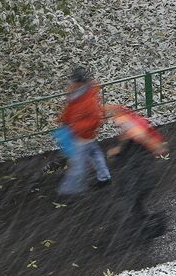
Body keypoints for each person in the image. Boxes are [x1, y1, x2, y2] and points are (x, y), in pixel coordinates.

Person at [106, 105, 167, 239]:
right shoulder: (132, 128)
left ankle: (150, 227)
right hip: (140, 176)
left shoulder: (130, 128)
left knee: (135, 203)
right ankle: (148, 225)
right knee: (137, 204)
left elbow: (139, 135)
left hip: (137, 178)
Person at [57, 67, 111, 195]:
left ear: (80, 83)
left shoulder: (87, 100)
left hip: (82, 137)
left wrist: (74, 128)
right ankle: (104, 177)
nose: (71, 84)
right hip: (84, 135)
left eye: (74, 81)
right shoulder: (80, 94)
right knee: (95, 154)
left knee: (78, 163)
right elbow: (72, 110)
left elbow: (95, 119)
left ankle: (70, 189)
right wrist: (64, 120)